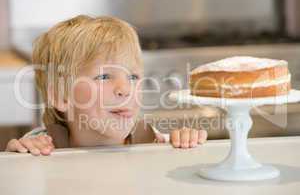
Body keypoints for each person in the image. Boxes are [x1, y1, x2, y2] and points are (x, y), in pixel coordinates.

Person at [6, 15, 207, 156]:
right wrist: (19, 155)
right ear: (61, 97)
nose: (125, 89)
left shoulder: (152, 140)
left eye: (133, 76)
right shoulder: (42, 145)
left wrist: (185, 141)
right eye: (103, 77)